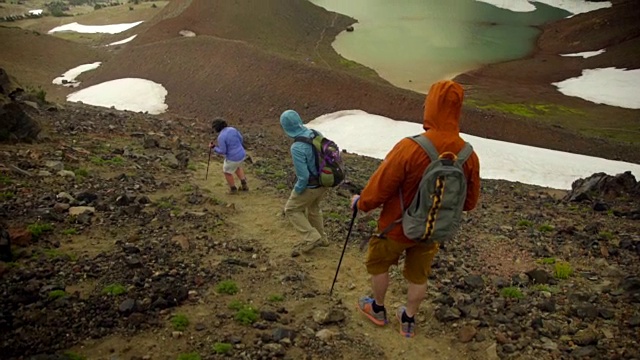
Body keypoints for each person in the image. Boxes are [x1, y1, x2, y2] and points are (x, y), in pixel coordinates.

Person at [350, 80, 481, 338]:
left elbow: (381, 187)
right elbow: (469, 203)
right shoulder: (468, 155)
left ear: (431, 106)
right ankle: (408, 319)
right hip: (432, 231)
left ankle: (377, 308)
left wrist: (360, 203)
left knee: (379, 264)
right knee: (418, 276)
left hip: (396, 227)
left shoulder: (410, 147)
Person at [279, 109, 329, 257]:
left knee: (291, 210)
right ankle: (322, 238)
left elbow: (303, 177)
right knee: (313, 208)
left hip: (311, 186)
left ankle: (312, 238)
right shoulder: (315, 133)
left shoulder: (297, 148)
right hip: (325, 181)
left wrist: (297, 191)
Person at [209, 118, 248, 194]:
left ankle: (233, 189)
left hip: (232, 158)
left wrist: (214, 147)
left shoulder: (221, 137)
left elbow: (223, 151)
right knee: (237, 167)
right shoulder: (232, 129)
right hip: (242, 154)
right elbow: (241, 139)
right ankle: (244, 185)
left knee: (227, 172)